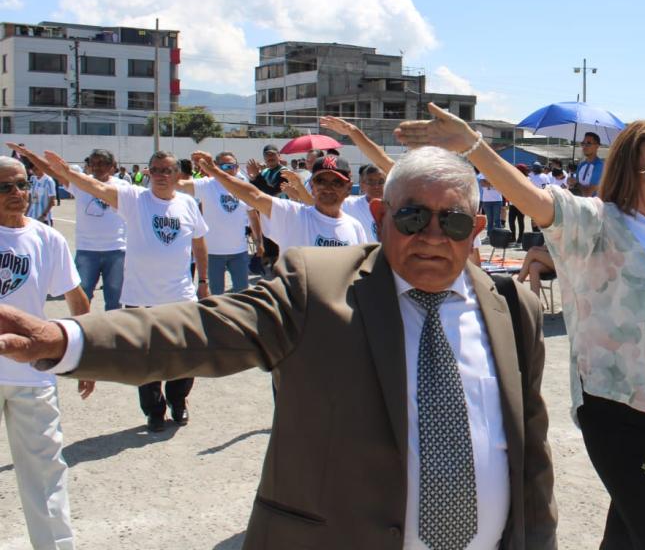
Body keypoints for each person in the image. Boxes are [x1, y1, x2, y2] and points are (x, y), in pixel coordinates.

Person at [0, 146, 557, 549]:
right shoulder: (317, 286)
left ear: (476, 228)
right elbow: (203, 329)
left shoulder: (513, 309)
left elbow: (531, 459)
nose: (433, 235)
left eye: (453, 221)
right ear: (382, 216)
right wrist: (67, 339)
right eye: (413, 216)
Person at [397, 104, 645, 548]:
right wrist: (475, 147)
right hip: (617, 414)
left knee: (626, 536)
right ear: (630, 176)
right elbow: (536, 200)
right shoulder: (600, 224)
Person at [38, 149, 210, 432]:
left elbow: (199, 244)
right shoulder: (133, 198)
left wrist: (202, 280)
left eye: (167, 170)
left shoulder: (189, 204)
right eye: (155, 170)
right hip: (140, 297)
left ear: (178, 175)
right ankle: (154, 411)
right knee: (145, 360)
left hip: (180, 296)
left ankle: (178, 401)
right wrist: (68, 173)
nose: (160, 176)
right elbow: (95, 186)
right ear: (148, 172)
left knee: (185, 354)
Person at [0, 156, 93, 550]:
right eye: (5, 187)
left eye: (22, 184)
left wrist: (87, 356)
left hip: (31, 374)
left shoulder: (46, 238)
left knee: (46, 475)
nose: (17, 194)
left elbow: (76, 296)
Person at [10, 146, 128, 312]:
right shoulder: (80, 182)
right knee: (82, 297)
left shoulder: (122, 186)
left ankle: (113, 335)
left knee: (115, 301)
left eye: (102, 163)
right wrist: (29, 155)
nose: (97, 167)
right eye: (93, 163)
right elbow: (52, 171)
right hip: (87, 251)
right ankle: (82, 335)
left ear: (111, 166)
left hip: (116, 250)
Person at [199, 152, 370, 250]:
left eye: (336, 182)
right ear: (311, 185)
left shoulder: (355, 227)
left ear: (348, 187)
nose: (328, 187)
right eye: (321, 181)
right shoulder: (292, 215)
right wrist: (216, 171)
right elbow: (255, 196)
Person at [178, 151, 264, 295]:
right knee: (216, 295)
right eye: (225, 166)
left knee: (242, 294)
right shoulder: (206, 185)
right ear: (216, 167)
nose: (230, 170)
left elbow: (253, 216)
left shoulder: (243, 186)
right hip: (213, 252)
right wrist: (164, 174)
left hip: (239, 251)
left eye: (233, 166)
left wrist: (259, 242)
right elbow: (181, 185)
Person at [575, 132, 605, 198]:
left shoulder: (600, 166)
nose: (584, 146)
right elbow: (574, 186)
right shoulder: (581, 165)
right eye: (583, 143)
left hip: (594, 207)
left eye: (588, 143)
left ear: (597, 146)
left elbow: (588, 193)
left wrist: (576, 184)